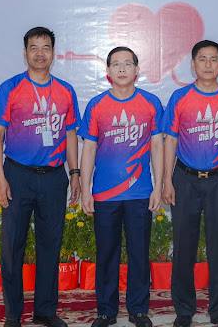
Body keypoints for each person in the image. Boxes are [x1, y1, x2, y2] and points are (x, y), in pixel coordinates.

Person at [0, 26, 81, 327]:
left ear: (53, 53)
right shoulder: (10, 88)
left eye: (46, 47)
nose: (40, 53)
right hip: (17, 175)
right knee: (12, 247)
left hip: (54, 178)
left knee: (50, 245)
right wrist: (0, 178)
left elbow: (70, 134)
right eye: (34, 47)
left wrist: (75, 173)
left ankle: (45, 311)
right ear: (25, 52)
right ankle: (13, 314)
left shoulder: (66, 91)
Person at [162, 40, 218, 327]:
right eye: (202, 59)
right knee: (183, 246)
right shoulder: (180, 97)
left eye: (214, 59)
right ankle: (184, 309)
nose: (208, 64)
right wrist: (166, 180)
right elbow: (170, 140)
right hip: (185, 179)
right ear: (193, 64)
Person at [79, 46, 164, 327]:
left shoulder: (151, 103)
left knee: (139, 254)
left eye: (128, 63)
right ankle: (106, 311)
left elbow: (157, 146)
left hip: (140, 193)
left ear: (137, 70)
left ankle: (138, 310)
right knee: (106, 254)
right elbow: (89, 148)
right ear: (108, 71)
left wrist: (158, 186)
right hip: (105, 195)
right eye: (116, 64)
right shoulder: (97, 105)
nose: (122, 69)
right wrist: (85, 189)